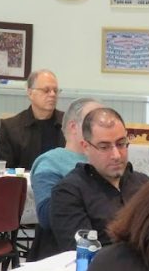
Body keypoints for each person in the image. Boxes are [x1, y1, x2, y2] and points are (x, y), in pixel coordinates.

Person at [47, 107, 149, 253]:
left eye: (121, 144)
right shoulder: (69, 192)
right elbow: (83, 254)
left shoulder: (143, 184)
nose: (116, 155)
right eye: (104, 147)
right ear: (86, 147)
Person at [29, 96, 101, 227]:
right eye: (94, 121)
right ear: (73, 127)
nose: (103, 127)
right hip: (69, 240)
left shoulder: (107, 159)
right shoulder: (50, 163)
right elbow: (47, 216)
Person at [0, 69, 64, 170]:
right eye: (46, 90)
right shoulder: (10, 128)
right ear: (30, 93)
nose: (52, 94)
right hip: (24, 184)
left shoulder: (69, 124)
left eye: (55, 91)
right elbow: (1, 169)